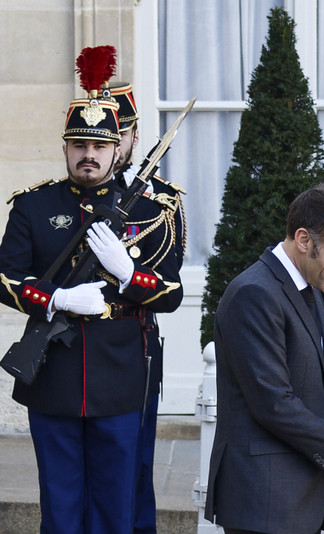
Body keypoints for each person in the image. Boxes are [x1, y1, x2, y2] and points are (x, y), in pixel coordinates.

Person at [0, 46, 183, 533]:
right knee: (60, 502)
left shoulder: (150, 207)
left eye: (99, 146)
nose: (88, 155)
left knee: (115, 500)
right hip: (53, 368)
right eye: (78, 145)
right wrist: (55, 298)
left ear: (117, 148)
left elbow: (171, 294)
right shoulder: (33, 206)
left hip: (120, 370)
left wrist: (127, 273)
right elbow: (6, 277)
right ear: (65, 148)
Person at [204, 184, 324, 534]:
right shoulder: (254, 293)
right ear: (303, 239)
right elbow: (272, 401)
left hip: (292, 499)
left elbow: (318, 377)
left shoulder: (308, 286)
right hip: (264, 500)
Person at [109, 81, 186, 534]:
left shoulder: (163, 199)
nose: (105, 148)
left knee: (135, 460)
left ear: (135, 136)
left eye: (116, 135)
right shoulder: (61, 195)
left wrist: (127, 274)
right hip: (74, 349)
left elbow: (171, 288)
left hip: (131, 343)